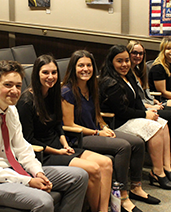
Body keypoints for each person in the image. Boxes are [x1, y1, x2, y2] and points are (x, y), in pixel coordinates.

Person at [0, 60, 88, 212]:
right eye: (8, 85)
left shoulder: (11, 110)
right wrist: (29, 181)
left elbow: (22, 148)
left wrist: (38, 172)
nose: (14, 91)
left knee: (80, 176)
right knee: (44, 201)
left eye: (18, 85)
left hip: (19, 170)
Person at [61, 50, 160, 212]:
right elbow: (69, 124)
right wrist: (98, 133)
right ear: (73, 68)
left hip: (95, 131)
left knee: (137, 142)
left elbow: (97, 115)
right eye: (81, 65)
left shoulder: (91, 88)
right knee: (123, 146)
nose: (85, 69)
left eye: (88, 65)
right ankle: (122, 195)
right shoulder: (67, 92)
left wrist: (104, 126)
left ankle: (136, 186)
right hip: (78, 137)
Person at [17, 55, 113, 212]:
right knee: (94, 169)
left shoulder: (53, 94)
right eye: (45, 73)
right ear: (36, 74)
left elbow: (58, 126)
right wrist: (58, 151)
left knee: (106, 164)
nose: (50, 77)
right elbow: (28, 140)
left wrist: (65, 144)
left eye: (54, 72)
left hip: (60, 147)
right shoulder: (27, 101)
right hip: (42, 154)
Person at [99, 44, 171, 190]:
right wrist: (144, 114)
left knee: (163, 123)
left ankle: (166, 167)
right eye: (119, 61)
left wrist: (148, 113)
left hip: (130, 117)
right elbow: (121, 111)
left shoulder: (128, 76)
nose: (124, 64)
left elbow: (137, 100)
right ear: (111, 62)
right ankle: (157, 172)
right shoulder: (109, 82)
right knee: (155, 128)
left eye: (126, 60)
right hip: (117, 121)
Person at [127, 40, 171, 170]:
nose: (138, 56)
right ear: (128, 53)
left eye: (141, 53)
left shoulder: (140, 70)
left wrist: (153, 101)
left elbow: (146, 92)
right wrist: (149, 107)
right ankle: (170, 156)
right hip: (143, 108)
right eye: (135, 53)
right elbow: (133, 100)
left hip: (150, 103)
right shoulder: (126, 72)